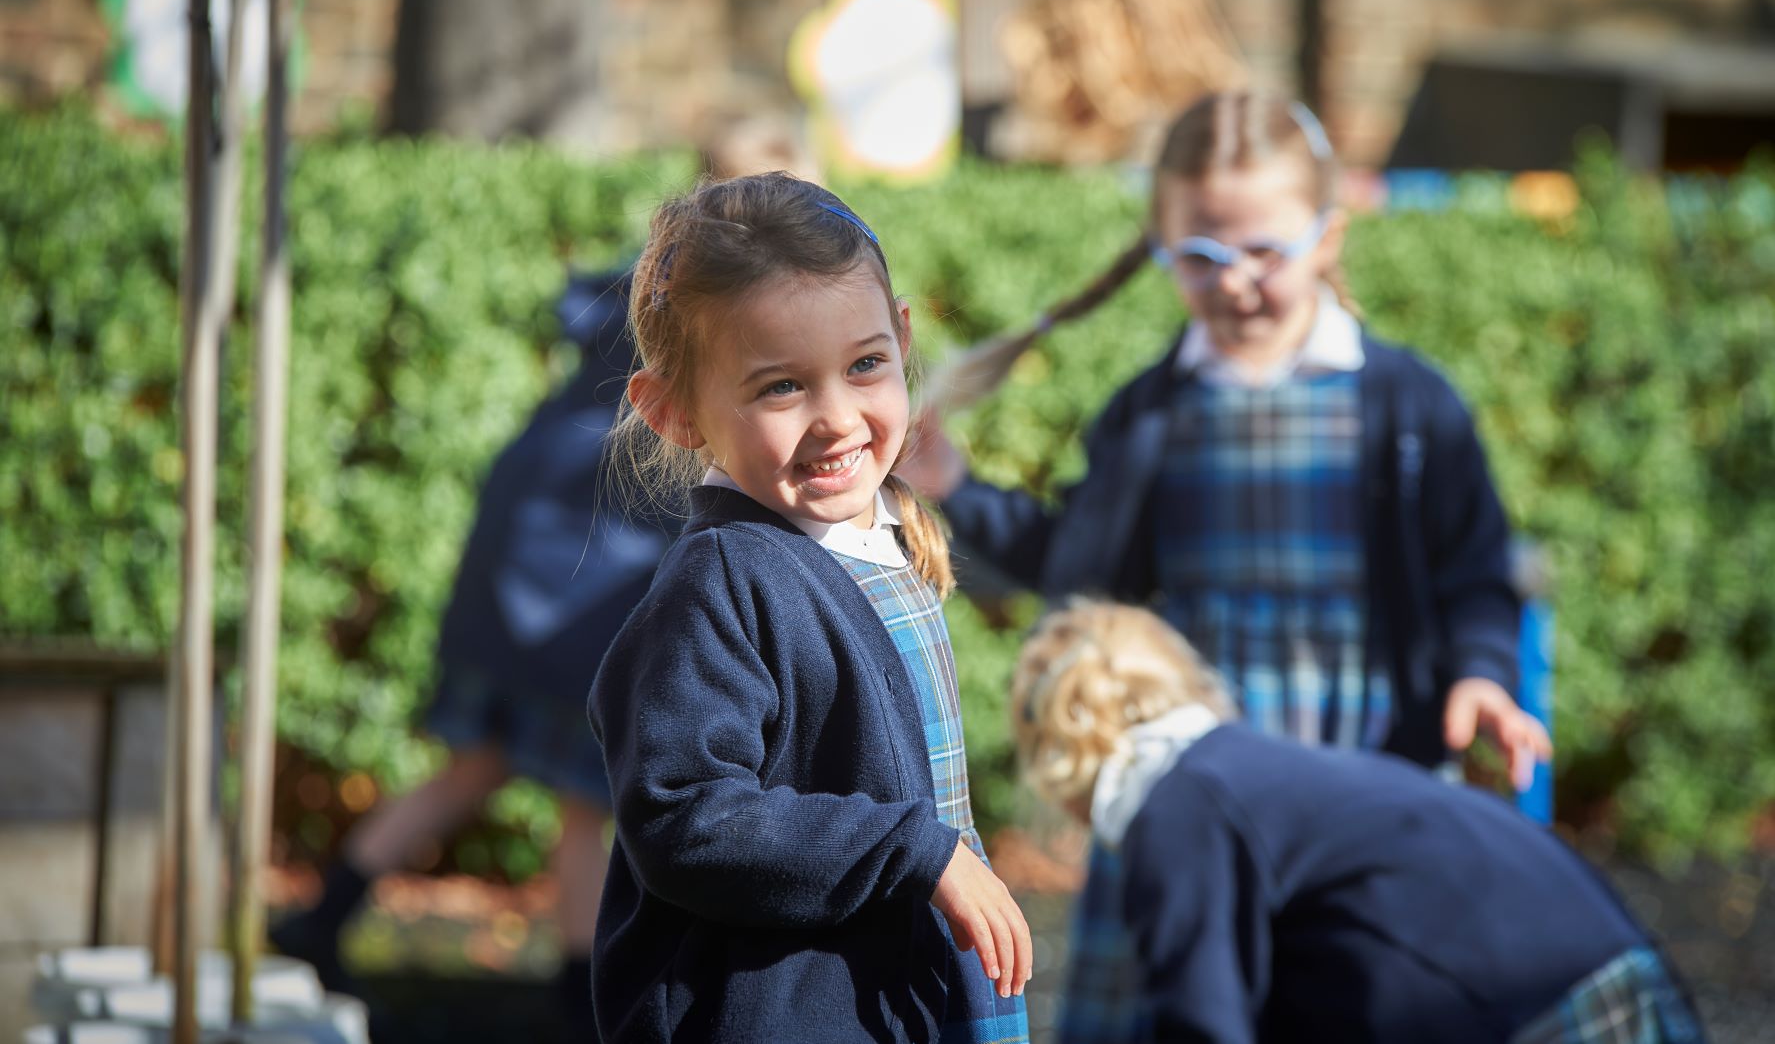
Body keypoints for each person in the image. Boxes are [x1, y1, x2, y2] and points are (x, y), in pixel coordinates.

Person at [902, 90, 1549, 783]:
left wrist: (1482, 673)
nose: (1233, 283)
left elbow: (1474, 568)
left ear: (1326, 238)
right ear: (1163, 247)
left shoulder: (1410, 406)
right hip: (1204, 784)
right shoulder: (1150, 415)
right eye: (1200, 257)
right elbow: (1079, 561)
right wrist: (954, 484)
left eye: (1263, 252)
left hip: (1379, 778)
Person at [588, 172, 1032, 1043]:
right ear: (673, 411)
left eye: (864, 365)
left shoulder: (878, 530)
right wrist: (916, 851)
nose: (836, 418)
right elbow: (683, 816)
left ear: (902, 338)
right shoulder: (720, 581)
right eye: (780, 387)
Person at [1012, 600, 1705, 1044]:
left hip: (1539, 1005)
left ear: (1055, 757)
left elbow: (1200, 1023)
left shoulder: (1179, 808)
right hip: (1601, 956)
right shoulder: (1247, 772)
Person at [272, 269, 674, 1027]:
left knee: (477, 768)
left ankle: (321, 920)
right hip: (574, 603)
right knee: (586, 806)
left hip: (510, 589)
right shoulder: (682, 339)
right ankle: (581, 1008)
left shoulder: (610, 327)